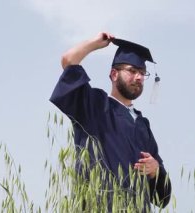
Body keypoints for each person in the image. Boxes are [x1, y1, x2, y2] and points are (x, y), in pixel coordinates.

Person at [49, 32, 172, 211]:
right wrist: (94, 43)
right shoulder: (94, 105)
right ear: (114, 74)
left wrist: (156, 171)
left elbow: (162, 199)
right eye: (132, 71)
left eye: (142, 73)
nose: (138, 77)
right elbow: (68, 61)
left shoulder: (143, 125)